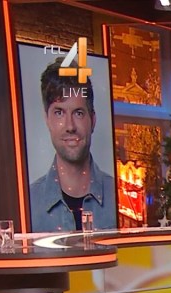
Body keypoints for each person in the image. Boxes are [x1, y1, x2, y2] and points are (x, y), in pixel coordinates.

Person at [29, 58, 116, 232]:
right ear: (47, 120)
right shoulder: (28, 203)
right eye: (59, 113)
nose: (70, 126)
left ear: (92, 120)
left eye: (78, 113)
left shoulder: (118, 197)